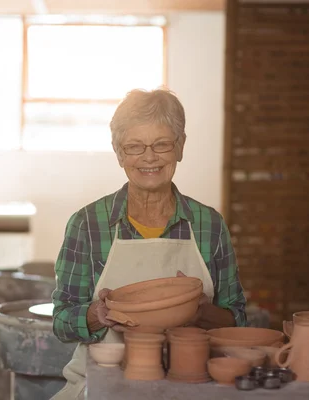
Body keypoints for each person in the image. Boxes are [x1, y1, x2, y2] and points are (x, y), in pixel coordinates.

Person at [51, 88, 247, 399]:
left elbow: (237, 319)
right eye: (134, 147)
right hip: (102, 387)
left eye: (162, 144)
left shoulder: (209, 225)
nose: (149, 157)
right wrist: (96, 314)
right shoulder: (88, 224)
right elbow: (61, 321)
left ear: (180, 147)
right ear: (118, 153)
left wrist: (201, 312)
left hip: (188, 385)